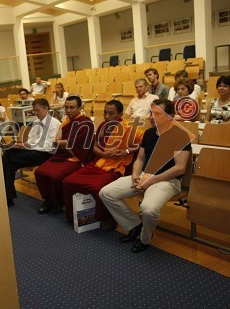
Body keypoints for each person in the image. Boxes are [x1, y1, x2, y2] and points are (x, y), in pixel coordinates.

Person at [99, 99, 192, 253]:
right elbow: (140, 159)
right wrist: (136, 175)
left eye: (157, 114)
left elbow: (179, 168)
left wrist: (151, 179)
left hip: (167, 181)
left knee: (148, 209)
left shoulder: (180, 135)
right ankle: (135, 225)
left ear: (170, 116)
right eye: (151, 112)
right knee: (106, 193)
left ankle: (144, 238)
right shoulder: (149, 133)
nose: (151, 117)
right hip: (144, 176)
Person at [61, 100, 144, 228]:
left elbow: (143, 143)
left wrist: (126, 151)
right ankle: (75, 214)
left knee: (97, 188)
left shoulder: (129, 128)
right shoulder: (102, 126)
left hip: (116, 167)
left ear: (120, 113)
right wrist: (104, 154)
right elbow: (94, 146)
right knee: (68, 181)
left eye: (111, 113)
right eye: (105, 112)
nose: (106, 116)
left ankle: (106, 218)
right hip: (98, 163)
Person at [35, 96, 94, 214]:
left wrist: (60, 142)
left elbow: (72, 145)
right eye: (66, 107)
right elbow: (58, 139)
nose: (68, 110)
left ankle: (56, 202)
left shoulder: (86, 123)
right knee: (39, 171)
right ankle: (48, 199)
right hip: (61, 156)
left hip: (76, 158)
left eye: (72, 107)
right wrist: (60, 142)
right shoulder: (66, 121)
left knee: (56, 177)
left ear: (80, 108)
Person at [2, 98, 61, 207]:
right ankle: (8, 197)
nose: (35, 113)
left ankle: (5, 194)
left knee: (8, 156)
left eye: (37, 110)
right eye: (34, 110)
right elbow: (31, 139)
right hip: (32, 151)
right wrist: (23, 145)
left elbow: (49, 146)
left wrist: (29, 146)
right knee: (9, 163)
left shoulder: (54, 124)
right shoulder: (36, 122)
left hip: (44, 154)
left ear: (46, 108)